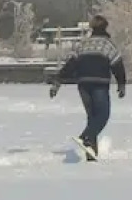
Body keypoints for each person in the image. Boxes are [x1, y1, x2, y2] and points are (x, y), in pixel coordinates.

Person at [48, 15, 127, 162]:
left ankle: (91, 154)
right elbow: (117, 65)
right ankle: (85, 137)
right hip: (99, 84)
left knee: (92, 119)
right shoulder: (108, 45)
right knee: (103, 115)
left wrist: (58, 81)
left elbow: (70, 65)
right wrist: (121, 84)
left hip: (83, 84)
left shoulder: (83, 44)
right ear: (105, 27)